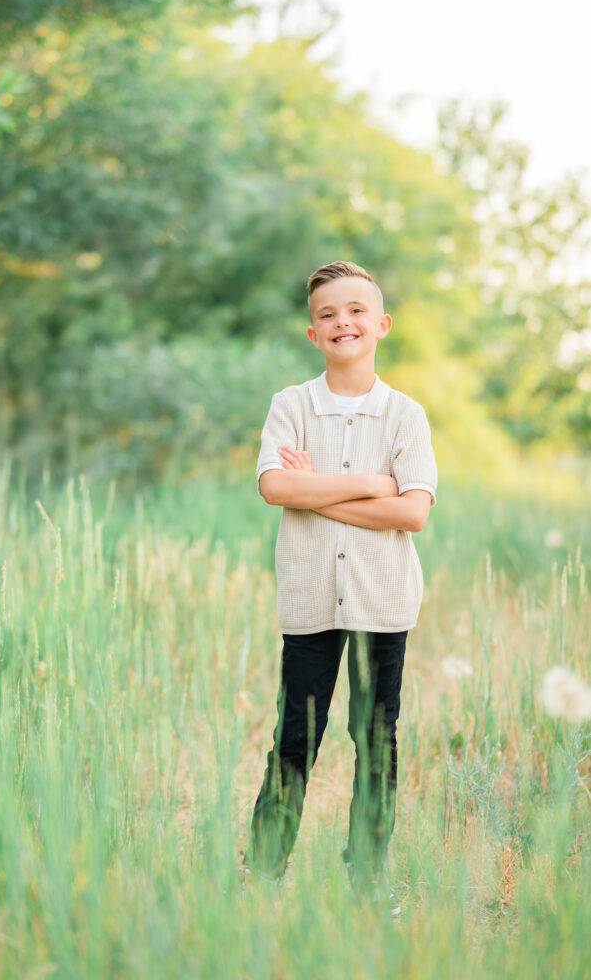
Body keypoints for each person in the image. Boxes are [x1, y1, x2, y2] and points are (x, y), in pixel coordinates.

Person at [243, 260, 438, 904]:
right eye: (327, 314)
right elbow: (275, 486)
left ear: (380, 325)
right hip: (308, 604)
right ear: (312, 334)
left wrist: (314, 492)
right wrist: (367, 484)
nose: (342, 322)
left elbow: (412, 510)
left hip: (383, 605)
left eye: (355, 311)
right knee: (296, 736)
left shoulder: (406, 415)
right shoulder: (290, 406)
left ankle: (369, 878)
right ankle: (264, 872)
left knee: (375, 741)